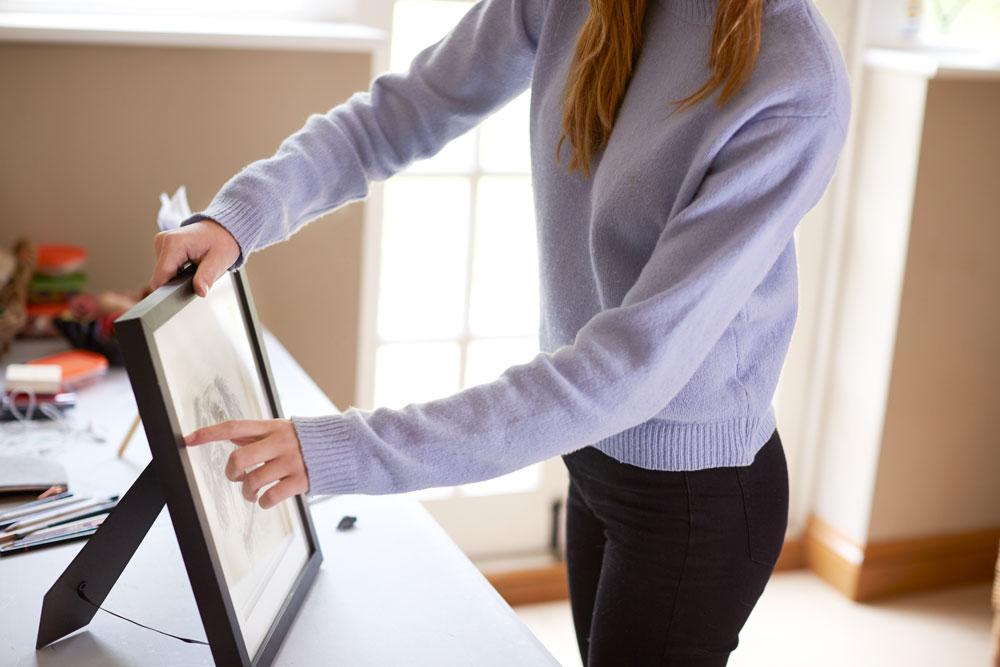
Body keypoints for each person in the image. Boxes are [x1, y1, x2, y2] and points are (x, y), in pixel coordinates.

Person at [153, 0, 850, 663]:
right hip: (589, 451)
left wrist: (343, 450)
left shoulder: (795, 82)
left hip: (695, 497)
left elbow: (629, 368)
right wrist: (238, 216)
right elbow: (398, 115)